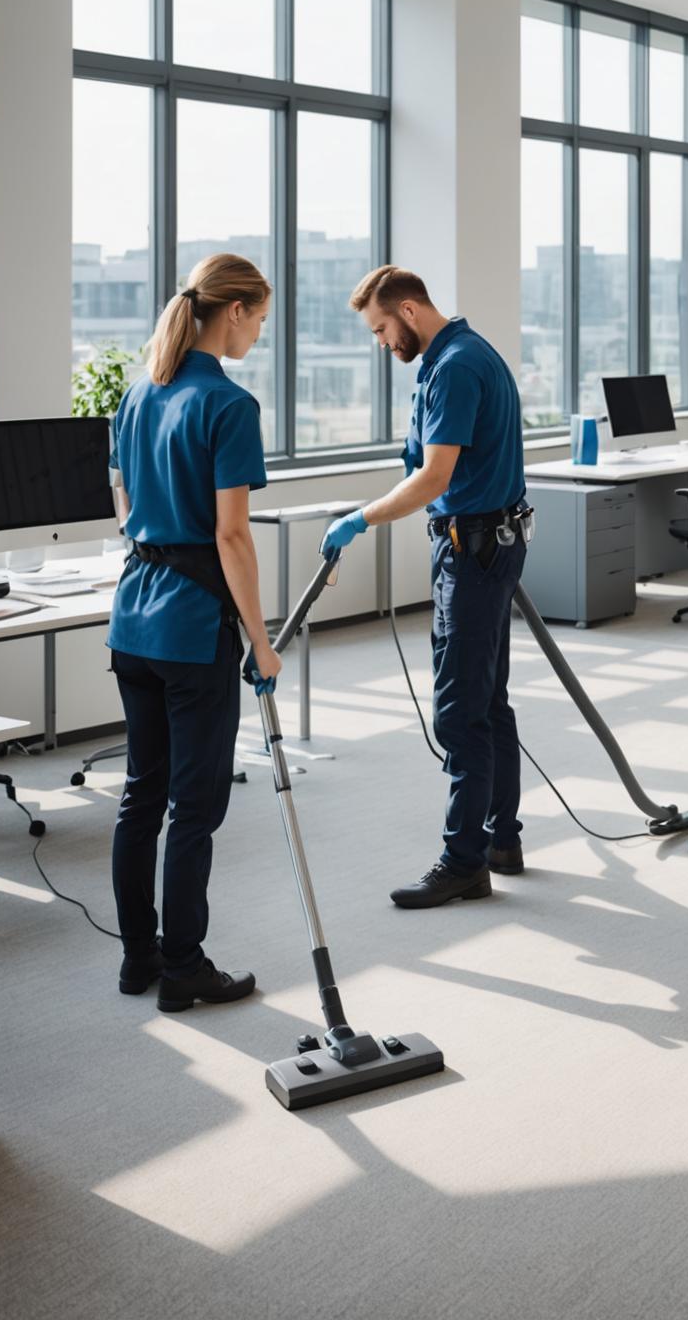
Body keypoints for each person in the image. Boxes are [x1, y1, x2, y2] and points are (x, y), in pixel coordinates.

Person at [321, 266, 529, 909]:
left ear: (409, 310)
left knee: (460, 710)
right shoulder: (456, 357)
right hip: (486, 541)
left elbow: (434, 476)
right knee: (488, 699)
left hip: (472, 548)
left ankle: (463, 862)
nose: (381, 342)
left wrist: (362, 516)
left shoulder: (457, 367)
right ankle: (501, 839)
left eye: (382, 328)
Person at [107, 253, 281, 1012]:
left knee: (140, 795)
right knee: (194, 805)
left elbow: (120, 492)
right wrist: (263, 639)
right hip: (192, 627)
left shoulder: (139, 392)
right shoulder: (228, 406)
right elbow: (233, 537)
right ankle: (184, 967)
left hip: (133, 617)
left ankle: (138, 959)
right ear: (233, 311)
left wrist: (151, 538)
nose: (259, 334)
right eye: (261, 319)